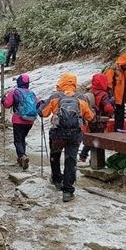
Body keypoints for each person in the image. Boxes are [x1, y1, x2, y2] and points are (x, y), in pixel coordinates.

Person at [39, 73, 95, 202]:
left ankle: (57, 179)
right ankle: (68, 191)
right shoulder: (81, 98)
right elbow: (91, 117)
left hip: (57, 133)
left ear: (61, 82)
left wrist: (42, 105)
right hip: (75, 134)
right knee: (71, 160)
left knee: (55, 156)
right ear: (74, 83)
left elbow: (43, 113)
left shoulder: (55, 97)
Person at [2, 74, 39, 170]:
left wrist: (3, 100)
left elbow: (7, 104)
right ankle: (21, 158)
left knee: (18, 140)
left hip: (18, 120)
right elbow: (38, 104)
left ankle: (22, 156)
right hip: (30, 121)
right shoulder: (31, 93)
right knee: (22, 138)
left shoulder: (15, 91)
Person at [79, 73, 115, 163]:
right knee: (97, 139)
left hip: (91, 119)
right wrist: (111, 111)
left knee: (92, 137)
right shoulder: (103, 94)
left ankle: (83, 156)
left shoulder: (91, 92)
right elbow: (108, 108)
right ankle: (94, 160)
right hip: (100, 120)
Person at [104, 52, 126, 131]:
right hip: (115, 97)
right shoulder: (112, 70)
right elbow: (108, 84)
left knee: (121, 114)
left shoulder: (124, 70)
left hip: (121, 96)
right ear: (123, 63)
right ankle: (117, 130)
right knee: (117, 114)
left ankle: (120, 129)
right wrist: (111, 96)